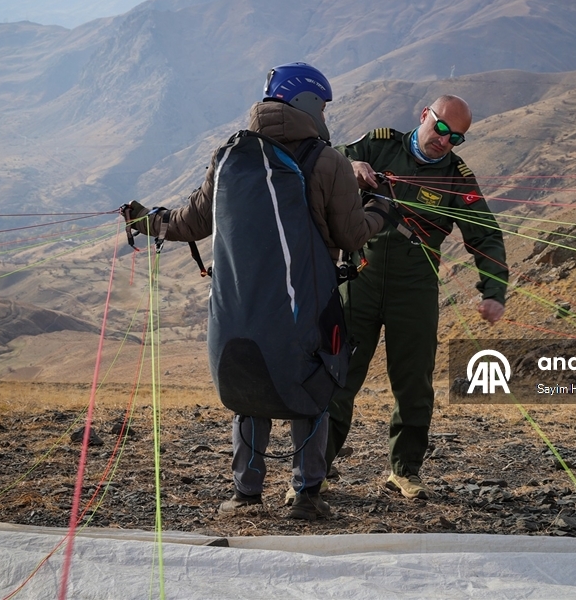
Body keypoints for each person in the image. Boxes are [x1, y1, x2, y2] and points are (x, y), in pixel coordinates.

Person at [125, 63, 386, 520]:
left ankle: (245, 495)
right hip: (304, 305)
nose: (326, 114)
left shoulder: (228, 156)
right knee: (312, 385)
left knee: (250, 389)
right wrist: (382, 210)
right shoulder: (328, 161)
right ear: (307, 104)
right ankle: (306, 495)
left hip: (238, 310)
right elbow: (351, 236)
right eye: (323, 105)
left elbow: (191, 223)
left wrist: (148, 220)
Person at [326, 94, 508, 500]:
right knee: (337, 376)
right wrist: (347, 166)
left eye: (455, 138)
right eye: (440, 128)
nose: (444, 140)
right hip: (359, 278)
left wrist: (494, 291)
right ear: (425, 115)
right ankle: (313, 472)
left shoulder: (458, 177)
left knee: (413, 383)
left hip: (416, 287)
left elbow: (486, 235)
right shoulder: (378, 145)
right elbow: (322, 158)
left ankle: (405, 471)